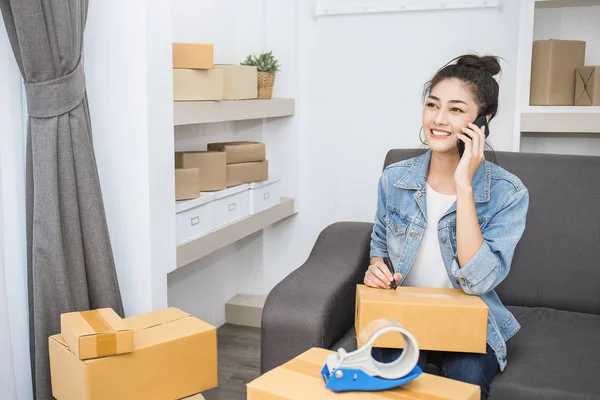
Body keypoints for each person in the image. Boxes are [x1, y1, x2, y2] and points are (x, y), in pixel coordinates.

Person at [366, 54, 529, 399]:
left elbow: (479, 280)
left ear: (483, 122)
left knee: (465, 384)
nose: (438, 119)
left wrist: (464, 185)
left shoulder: (508, 193)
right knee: (388, 381)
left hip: (470, 325)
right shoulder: (394, 178)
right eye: (432, 105)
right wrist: (376, 269)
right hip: (405, 315)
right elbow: (380, 244)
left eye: (456, 109)